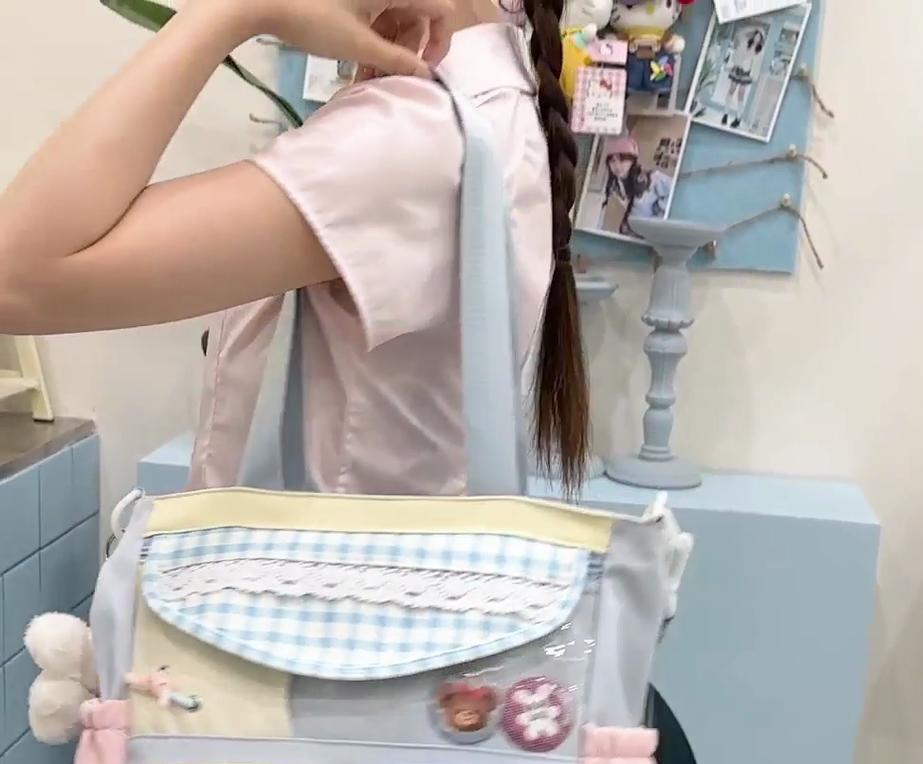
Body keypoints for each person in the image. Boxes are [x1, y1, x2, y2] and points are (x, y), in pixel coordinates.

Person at [0, 0, 590, 491]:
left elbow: (15, 277)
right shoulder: (500, 98)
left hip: (324, 582)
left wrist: (236, 9)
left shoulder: (413, 135)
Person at [601, 133, 672, 237]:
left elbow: (675, 193)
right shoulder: (616, 185)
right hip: (632, 235)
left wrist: (657, 218)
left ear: (632, 161)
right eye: (612, 161)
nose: (617, 165)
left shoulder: (652, 178)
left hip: (653, 235)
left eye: (622, 159)